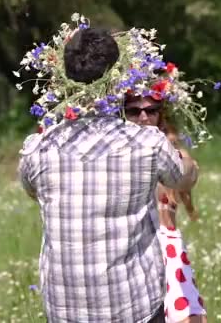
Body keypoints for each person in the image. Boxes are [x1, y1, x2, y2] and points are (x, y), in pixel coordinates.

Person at [18, 28, 193, 322]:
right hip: (133, 307)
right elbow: (181, 179)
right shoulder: (148, 144)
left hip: (64, 310)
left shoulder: (38, 150)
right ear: (118, 78)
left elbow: (32, 190)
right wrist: (187, 161)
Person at [124, 95, 207, 322]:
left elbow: (187, 175)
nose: (144, 117)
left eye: (152, 110)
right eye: (133, 111)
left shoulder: (171, 153)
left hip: (169, 246)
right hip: (136, 249)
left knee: (188, 316)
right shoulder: (118, 157)